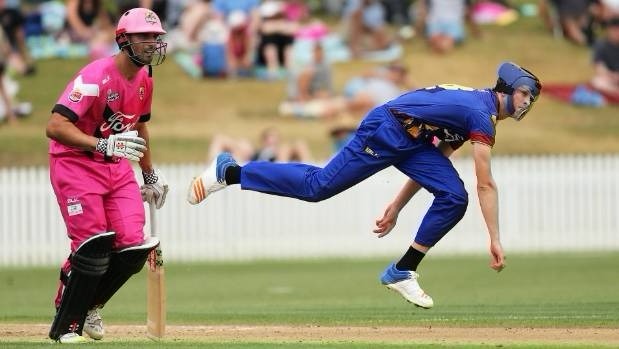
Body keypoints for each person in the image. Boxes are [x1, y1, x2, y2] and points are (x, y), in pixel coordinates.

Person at [187, 62, 542, 308]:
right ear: (510, 90)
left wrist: (397, 205)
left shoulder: (476, 112)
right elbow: (486, 185)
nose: (528, 103)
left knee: (452, 196)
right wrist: (494, 239)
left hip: (410, 139)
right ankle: (230, 172)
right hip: (387, 128)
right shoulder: (480, 115)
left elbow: (440, 157)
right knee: (318, 187)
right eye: (526, 95)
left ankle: (402, 270)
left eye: (531, 99)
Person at [45, 8, 169, 343]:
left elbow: (139, 125)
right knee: (92, 246)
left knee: (132, 248)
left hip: (116, 166)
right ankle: (66, 315)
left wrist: (150, 175)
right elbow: (55, 126)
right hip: (76, 163)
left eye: (155, 37)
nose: (151, 43)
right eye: (144, 36)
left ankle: (91, 305)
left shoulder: (146, 78)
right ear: (123, 39)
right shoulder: (94, 77)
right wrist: (102, 144)